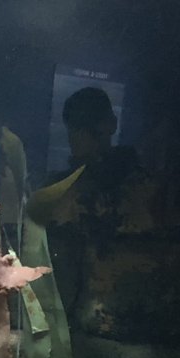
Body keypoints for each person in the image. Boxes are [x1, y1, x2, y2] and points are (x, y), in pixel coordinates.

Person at [45, 86, 154, 319]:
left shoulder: (136, 183)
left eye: (86, 128)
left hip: (112, 305)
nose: (80, 136)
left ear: (111, 125)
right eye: (77, 128)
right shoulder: (62, 187)